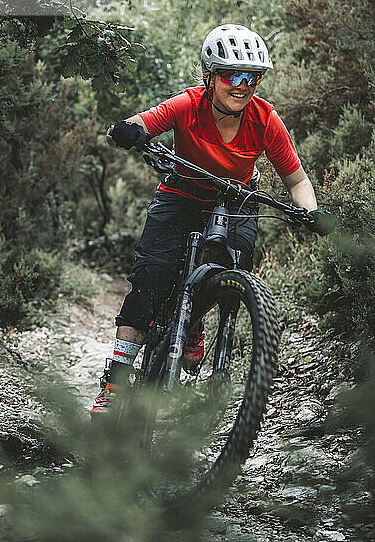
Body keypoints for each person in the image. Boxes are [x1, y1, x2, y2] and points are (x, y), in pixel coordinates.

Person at [90, 23, 333, 415]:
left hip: (236, 202)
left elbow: (297, 179)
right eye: (232, 74)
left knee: (232, 265)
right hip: (180, 197)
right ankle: (116, 380)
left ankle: (194, 323)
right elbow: (144, 121)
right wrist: (128, 131)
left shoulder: (266, 120)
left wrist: (311, 212)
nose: (243, 84)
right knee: (152, 275)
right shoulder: (188, 105)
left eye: (252, 76)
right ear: (210, 76)